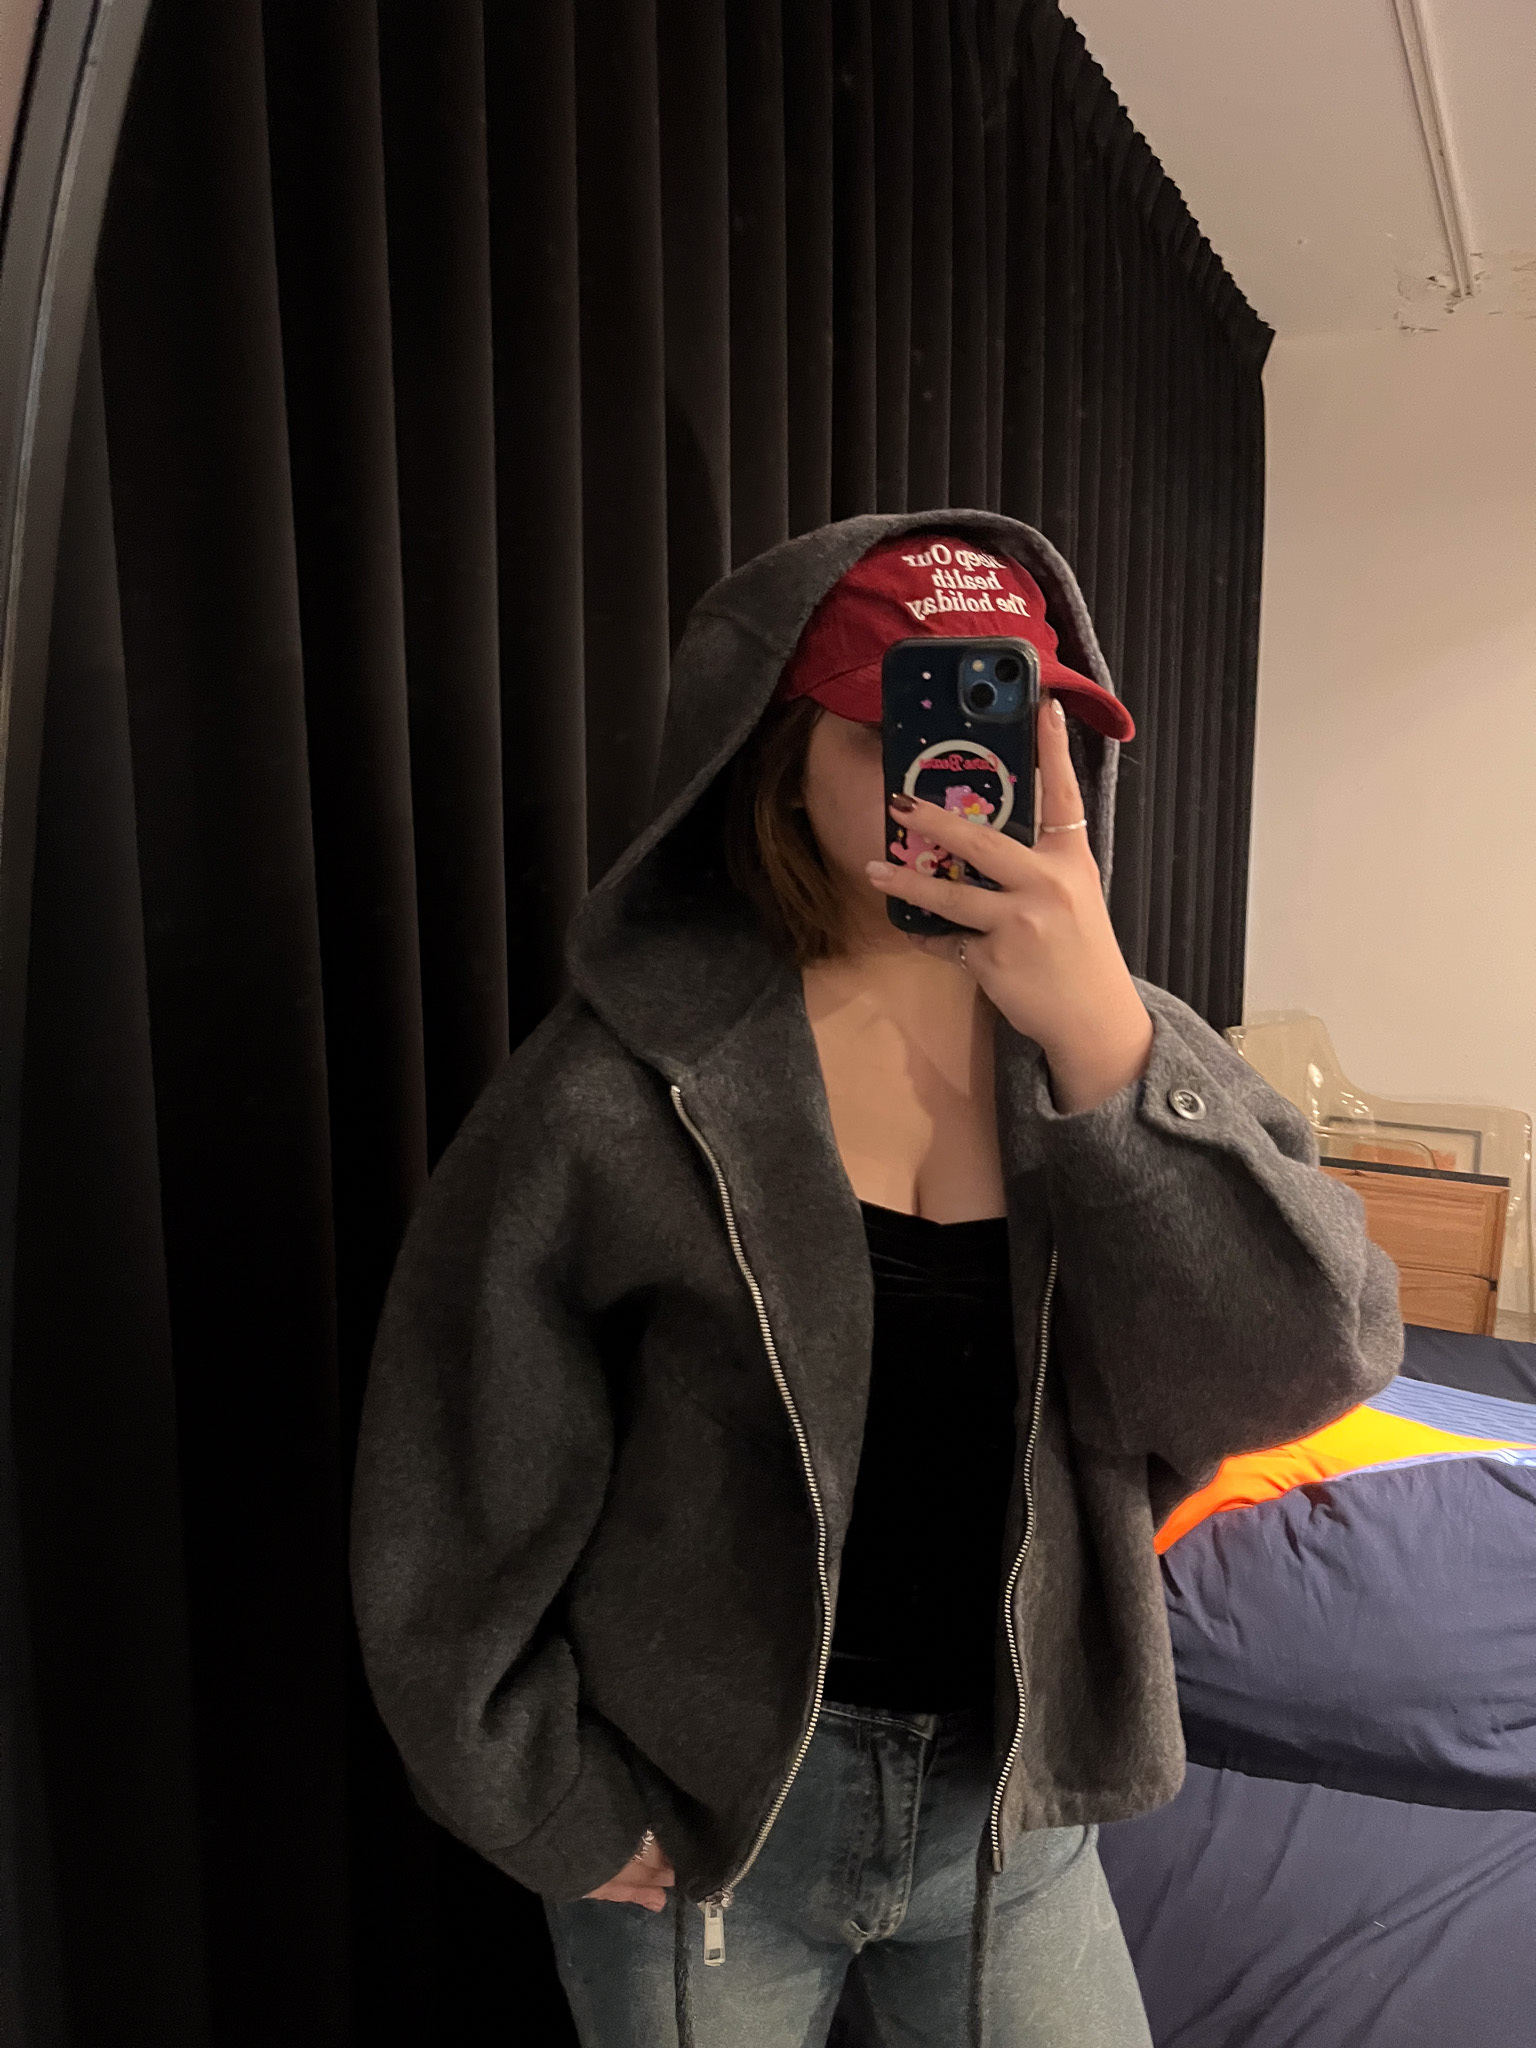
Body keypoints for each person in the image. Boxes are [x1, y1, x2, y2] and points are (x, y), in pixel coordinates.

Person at [351, 513, 1401, 2048]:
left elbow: (1305, 1361)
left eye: (1017, 724)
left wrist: (1105, 1044)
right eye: (913, 726)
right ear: (783, 757)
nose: (967, 778)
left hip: (1013, 1812)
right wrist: (537, 1791)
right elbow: (459, 1451)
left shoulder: (1118, 1046)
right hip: (713, 1819)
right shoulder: (625, 1083)